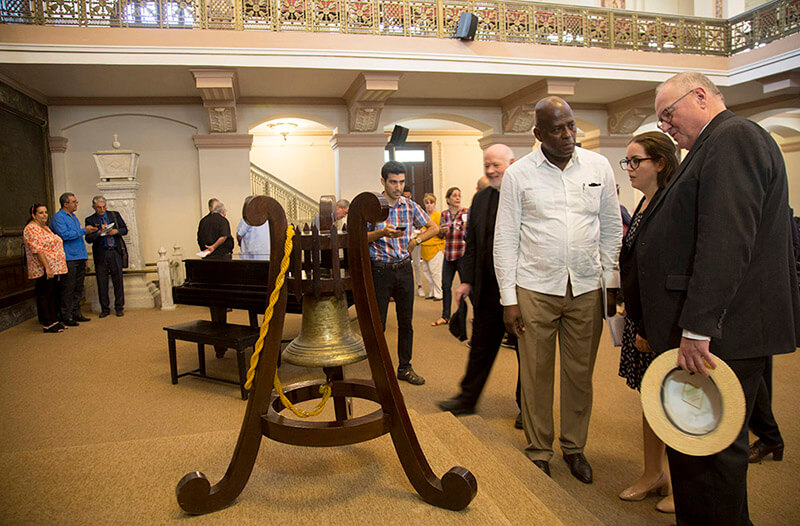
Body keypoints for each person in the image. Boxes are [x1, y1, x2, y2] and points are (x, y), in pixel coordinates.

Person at [637, 71, 799, 524]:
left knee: (708, 460)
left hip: (719, 334)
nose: (665, 126)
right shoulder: (715, 143)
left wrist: (698, 326)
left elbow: (726, 239)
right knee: (700, 453)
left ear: (701, 96)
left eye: (668, 114)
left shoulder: (733, 139)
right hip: (717, 330)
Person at [494, 96, 622, 481]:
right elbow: (505, 239)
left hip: (586, 286)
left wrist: (611, 283)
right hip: (534, 286)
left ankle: (574, 447)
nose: (568, 135)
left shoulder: (598, 166)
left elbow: (611, 228)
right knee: (536, 373)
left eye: (571, 126)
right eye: (557, 129)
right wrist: (509, 299)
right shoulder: (519, 175)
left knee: (580, 373)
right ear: (538, 134)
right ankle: (538, 449)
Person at [616, 132, 679, 513]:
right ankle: (653, 472)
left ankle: (680, 484)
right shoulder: (644, 202)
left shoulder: (672, 204)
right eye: (627, 161)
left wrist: (648, 328)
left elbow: (665, 272)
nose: (629, 168)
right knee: (651, 398)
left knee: (671, 403)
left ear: (660, 163)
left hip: (659, 324)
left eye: (635, 161)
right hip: (641, 317)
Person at [437, 144, 516, 416]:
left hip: (520, 291)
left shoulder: (524, 194)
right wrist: (467, 280)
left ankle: (526, 407)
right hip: (487, 289)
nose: (491, 170)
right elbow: (470, 243)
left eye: (497, 165)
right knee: (481, 346)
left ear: (511, 163)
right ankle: (466, 399)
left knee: (526, 353)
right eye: (487, 165)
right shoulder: (480, 199)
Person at [367, 161, 439, 386]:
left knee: (406, 322)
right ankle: (379, 370)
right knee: (378, 324)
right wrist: (381, 232)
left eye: (401, 182)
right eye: (393, 182)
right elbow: (358, 238)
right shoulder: (372, 207)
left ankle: (405, 368)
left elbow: (434, 228)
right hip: (380, 270)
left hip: (404, 269)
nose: (398, 187)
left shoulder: (410, 206)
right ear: (383, 182)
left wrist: (416, 240)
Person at [50, 192, 98, 326]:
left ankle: (76, 312)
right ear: (66, 204)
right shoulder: (58, 218)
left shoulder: (74, 217)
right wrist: (84, 231)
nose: (77, 204)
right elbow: (64, 235)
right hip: (68, 257)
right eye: (74, 202)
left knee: (78, 287)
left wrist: (85, 257)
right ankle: (66, 315)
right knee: (68, 287)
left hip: (79, 256)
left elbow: (78, 239)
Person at [23, 204, 68, 333]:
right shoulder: (31, 228)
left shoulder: (45, 228)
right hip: (42, 267)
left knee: (52, 294)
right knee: (45, 295)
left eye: (46, 212)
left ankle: (54, 320)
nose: (44, 215)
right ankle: (48, 323)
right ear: (33, 215)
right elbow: (38, 250)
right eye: (41, 213)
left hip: (54, 267)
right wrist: (47, 268)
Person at [85, 196, 128, 317]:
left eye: (104, 207)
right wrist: (99, 232)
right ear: (94, 207)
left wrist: (116, 231)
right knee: (102, 281)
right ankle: (105, 308)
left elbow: (125, 229)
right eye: (99, 207)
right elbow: (88, 239)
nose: (102, 209)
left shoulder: (114, 215)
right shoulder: (90, 220)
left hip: (114, 251)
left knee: (118, 280)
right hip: (101, 253)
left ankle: (119, 307)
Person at [432, 187, 467, 327]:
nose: (457, 198)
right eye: (454, 195)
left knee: (466, 287)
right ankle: (445, 316)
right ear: (448, 199)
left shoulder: (465, 212)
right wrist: (441, 231)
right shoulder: (444, 214)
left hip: (462, 255)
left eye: (459, 195)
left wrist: (467, 228)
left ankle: (471, 315)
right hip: (448, 255)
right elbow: (440, 235)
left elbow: (471, 233)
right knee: (446, 286)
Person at [419, 193, 444, 300]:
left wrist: (428, 231)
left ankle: (439, 293)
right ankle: (432, 291)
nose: (429, 205)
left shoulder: (439, 216)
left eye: (431, 203)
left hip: (435, 247)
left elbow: (442, 231)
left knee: (435, 272)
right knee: (427, 272)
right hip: (424, 247)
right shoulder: (423, 217)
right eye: (427, 203)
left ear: (435, 204)